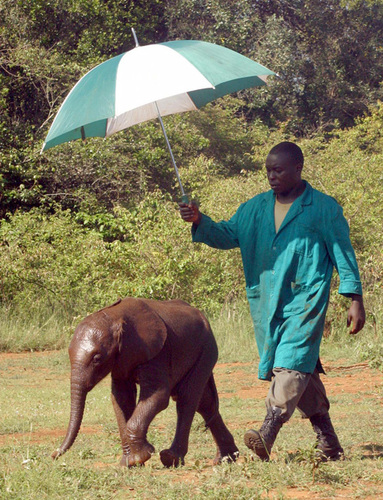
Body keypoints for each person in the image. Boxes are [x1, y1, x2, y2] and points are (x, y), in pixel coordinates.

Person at [179, 141, 365, 462]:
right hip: (266, 304)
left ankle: (268, 431)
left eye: (278, 170)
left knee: (291, 360)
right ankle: (329, 443)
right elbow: (226, 234)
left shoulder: (323, 208)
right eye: (268, 170)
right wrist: (198, 220)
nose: (271, 176)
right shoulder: (254, 209)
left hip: (307, 300)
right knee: (297, 367)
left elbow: (343, 253)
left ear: (298, 168)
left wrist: (355, 298)